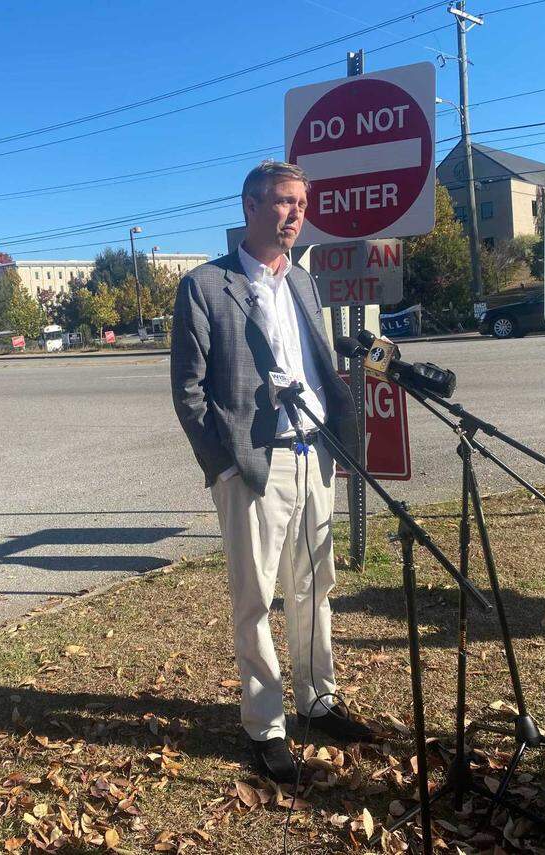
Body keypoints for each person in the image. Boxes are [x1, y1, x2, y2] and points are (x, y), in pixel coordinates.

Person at [170, 161, 373, 784]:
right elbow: (189, 391)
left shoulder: (304, 282)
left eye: (301, 204)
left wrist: (338, 436)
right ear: (251, 206)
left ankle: (318, 699)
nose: (295, 215)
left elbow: (317, 364)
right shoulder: (206, 285)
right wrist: (224, 467)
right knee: (255, 597)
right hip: (253, 465)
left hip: (314, 453)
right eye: (284, 202)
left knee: (315, 585)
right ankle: (265, 724)